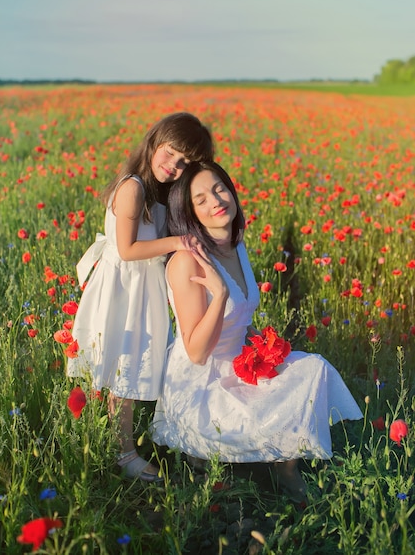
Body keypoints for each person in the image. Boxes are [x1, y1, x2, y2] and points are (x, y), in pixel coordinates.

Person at [152, 161, 363, 503]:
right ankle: (211, 457)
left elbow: (241, 321)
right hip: (202, 386)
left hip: (239, 364)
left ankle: (285, 468)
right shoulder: (186, 262)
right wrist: (219, 295)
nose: (215, 201)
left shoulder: (235, 244)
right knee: (278, 397)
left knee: (312, 368)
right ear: (189, 212)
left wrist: (262, 345)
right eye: (200, 199)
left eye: (219, 188)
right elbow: (195, 352)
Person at [67, 112, 214, 482]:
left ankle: (131, 442)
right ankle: (123, 453)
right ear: (153, 142)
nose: (173, 166)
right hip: (123, 290)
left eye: (184, 163)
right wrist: (178, 242)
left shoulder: (159, 193)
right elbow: (129, 248)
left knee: (131, 366)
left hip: (142, 289)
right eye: (169, 154)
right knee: (124, 370)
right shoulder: (132, 187)